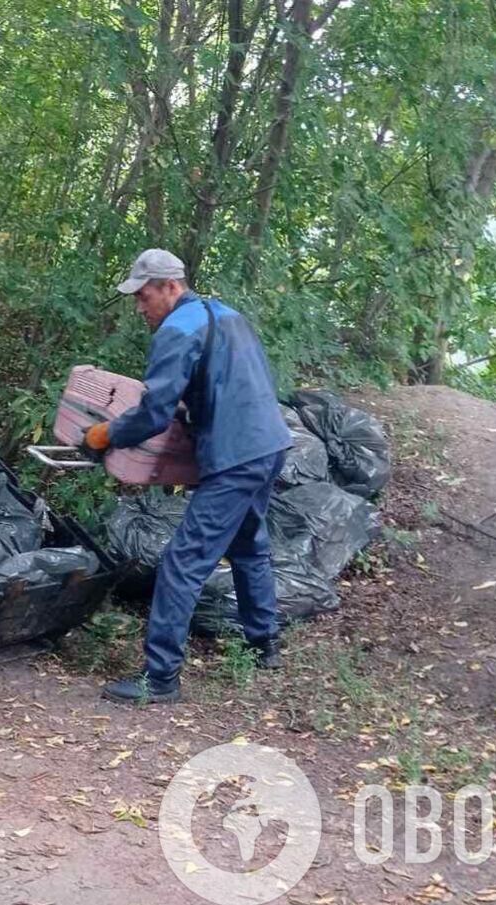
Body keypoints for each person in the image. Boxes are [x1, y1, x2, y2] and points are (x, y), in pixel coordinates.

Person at [83, 248, 294, 705]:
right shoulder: (225, 314)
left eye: (143, 296)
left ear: (170, 287)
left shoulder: (176, 330)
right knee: (248, 545)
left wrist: (105, 434)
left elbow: (154, 414)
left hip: (237, 457)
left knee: (183, 562)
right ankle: (264, 646)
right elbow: (226, 381)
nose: (140, 307)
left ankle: (159, 679)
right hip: (270, 444)